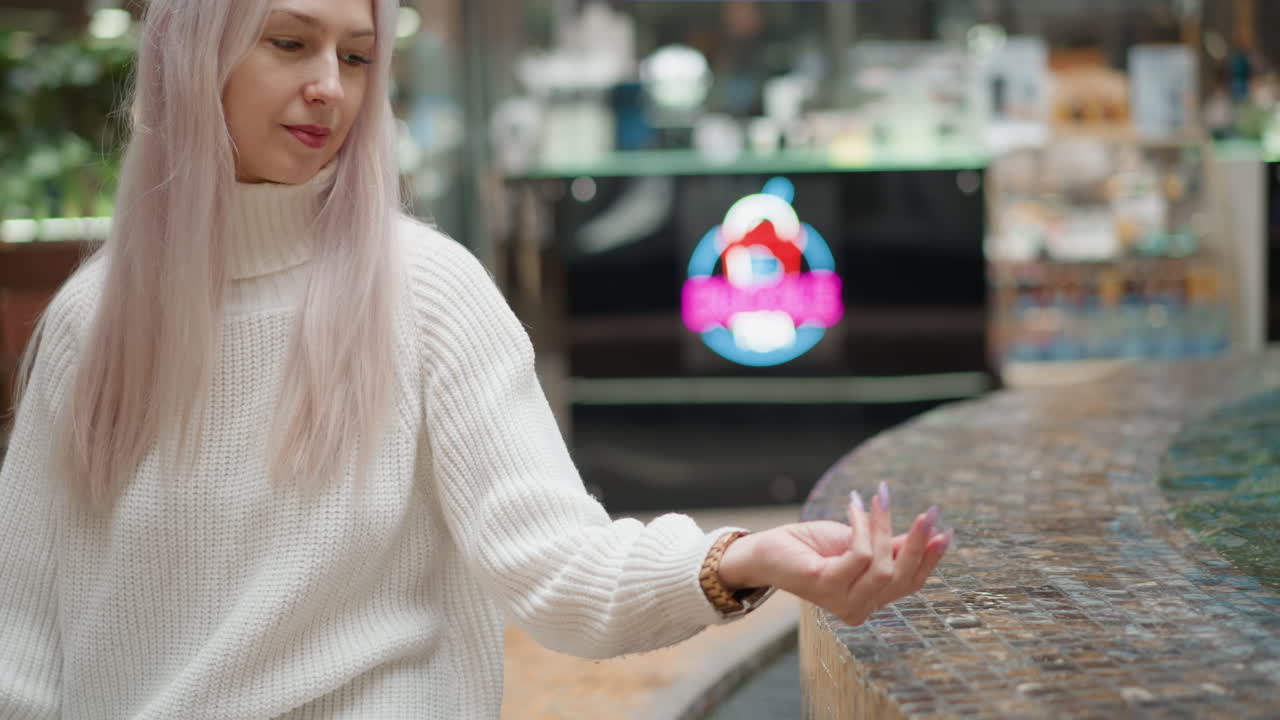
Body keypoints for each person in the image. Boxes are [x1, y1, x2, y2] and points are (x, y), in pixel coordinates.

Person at [0, 0, 952, 717]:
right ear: (191, 53)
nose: (330, 85)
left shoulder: (425, 291)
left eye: (358, 56)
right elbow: (25, 640)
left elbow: (556, 566)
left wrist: (745, 558)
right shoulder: (96, 317)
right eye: (289, 43)